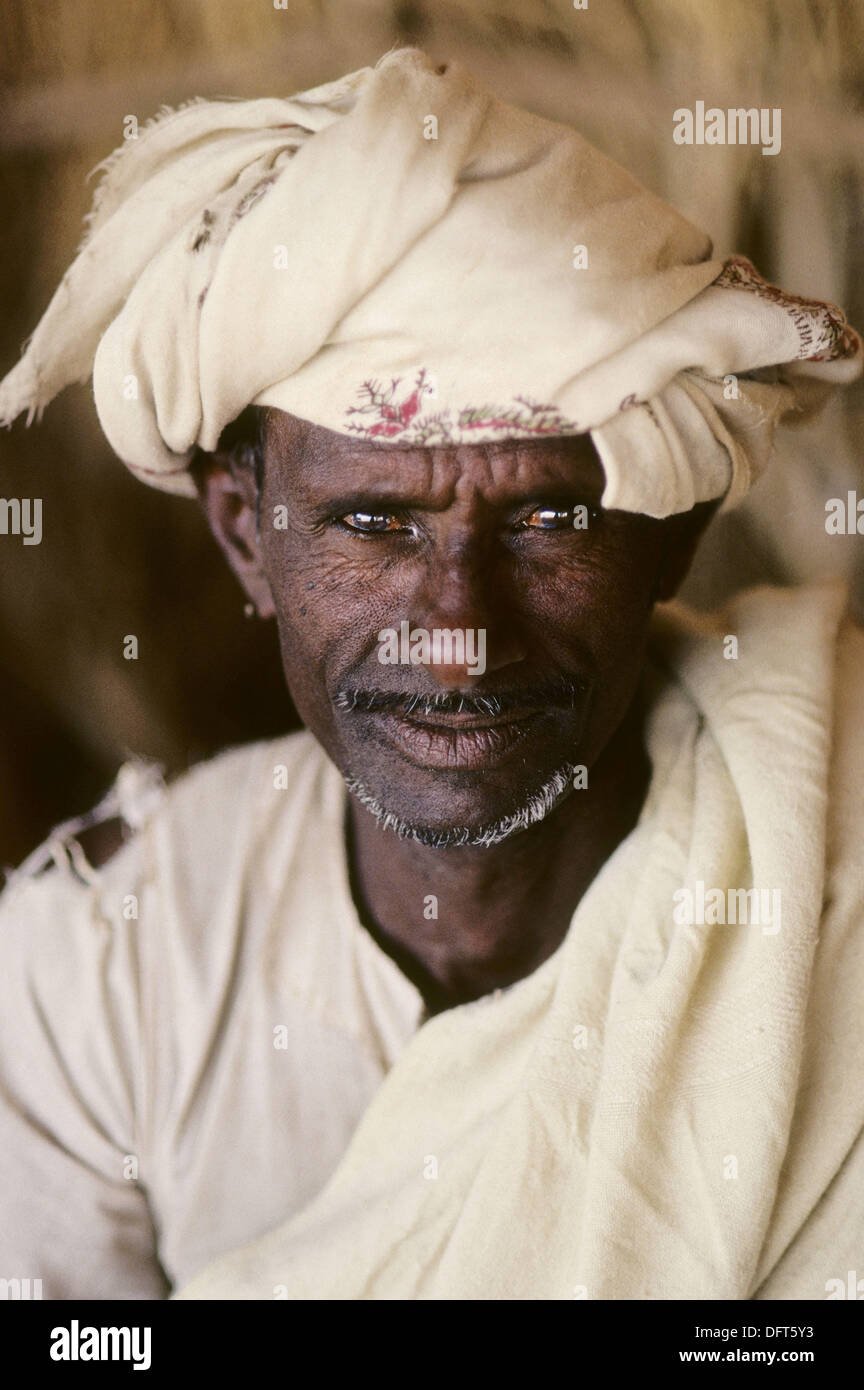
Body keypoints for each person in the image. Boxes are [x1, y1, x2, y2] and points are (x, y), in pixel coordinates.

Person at [0, 46, 862, 1301]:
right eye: (374, 523)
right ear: (249, 535)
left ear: (669, 537)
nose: (459, 624)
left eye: (549, 523)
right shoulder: (95, 977)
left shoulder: (826, 887)